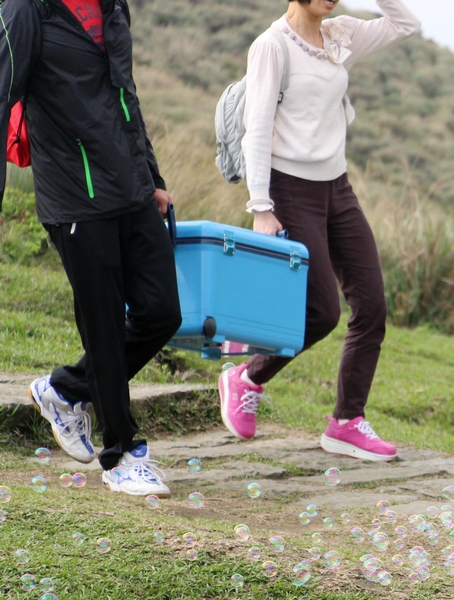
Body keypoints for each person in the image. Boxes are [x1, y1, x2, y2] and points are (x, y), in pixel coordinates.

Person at [218, 0, 420, 460]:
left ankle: (346, 421)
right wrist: (261, 206)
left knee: (372, 305)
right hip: (289, 190)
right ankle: (247, 376)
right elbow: (257, 128)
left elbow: (406, 24)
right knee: (322, 312)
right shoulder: (272, 46)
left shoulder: (340, 35)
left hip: (337, 186)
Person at [2, 0, 181, 496]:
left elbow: (126, 95)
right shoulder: (26, 10)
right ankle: (121, 455)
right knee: (102, 327)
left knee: (162, 311)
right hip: (75, 197)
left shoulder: (112, 4)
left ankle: (65, 389)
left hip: (132, 187)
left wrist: (153, 176)